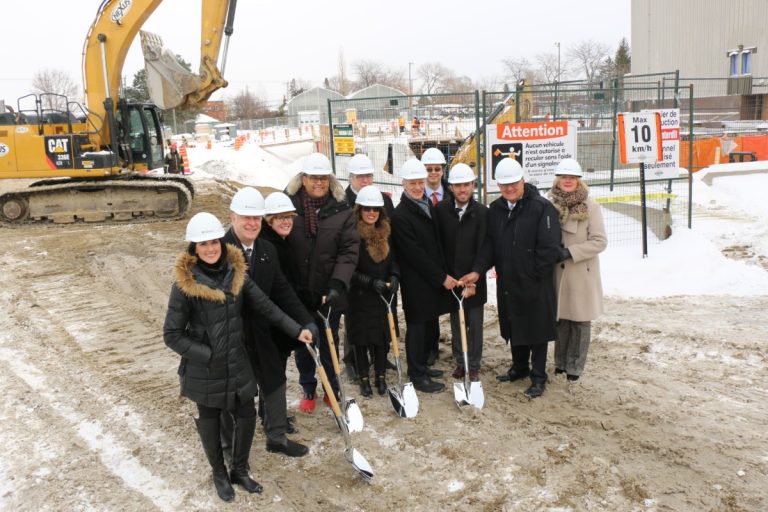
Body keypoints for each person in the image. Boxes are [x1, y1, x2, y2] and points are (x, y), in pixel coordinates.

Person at [163, 212, 313, 502]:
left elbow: (266, 306)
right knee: (211, 420)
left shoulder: (236, 273)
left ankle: (240, 470)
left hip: (238, 361)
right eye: (203, 244)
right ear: (194, 248)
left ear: (221, 243)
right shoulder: (185, 285)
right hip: (205, 368)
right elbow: (172, 334)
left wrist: (297, 330)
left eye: (214, 242)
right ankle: (219, 473)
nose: (210, 248)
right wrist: (208, 354)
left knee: (246, 415)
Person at [221, 187, 317, 458]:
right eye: (246, 218)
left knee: (274, 379)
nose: (252, 223)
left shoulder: (266, 250)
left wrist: (307, 321)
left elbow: (282, 290)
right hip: (231, 333)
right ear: (233, 217)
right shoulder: (219, 250)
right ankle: (231, 446)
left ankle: (276, 436)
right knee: (236, 392)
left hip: (262, 330)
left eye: (256, 218)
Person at [463, 158, 561, 399]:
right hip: (508, 281)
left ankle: (538, 376)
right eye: (504, 185)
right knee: (514, 323)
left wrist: (533, 274)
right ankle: (519, 367)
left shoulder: (541, 208)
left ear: (523, 181)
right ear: (498, 185)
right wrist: (478, 269)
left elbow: (549, 249)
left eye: (514, 184)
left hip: (535, 282)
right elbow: (489, 245)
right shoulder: (496, 210)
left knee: (536, 329)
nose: (509, 189)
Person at [284, 152, 360, 413]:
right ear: (303, 179)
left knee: (328, 341)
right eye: (313, 178)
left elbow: (349, 250)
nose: (318, 183)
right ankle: (308, 387)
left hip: (329, 292)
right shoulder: (288, 206)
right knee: (304, 343)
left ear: (330, 180)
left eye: (323, 178)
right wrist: (292, 287)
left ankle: (332, 388)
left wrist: (337, 284)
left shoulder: (342, 209)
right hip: (298, 292)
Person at [391, 158, 457, 394]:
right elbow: (415, 254)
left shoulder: (426, 204)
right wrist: (441, 277)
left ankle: (423, 367)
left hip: (430, 280)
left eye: (420, 182)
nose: (418, 187)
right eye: (412, 183)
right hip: (416, 282)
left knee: (429, 324)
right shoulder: (401, 215)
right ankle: (417, 374)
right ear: (404, 184)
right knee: (417, 328)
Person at [548, 158, 607, 381]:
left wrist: (571, 252)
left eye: (572, 177)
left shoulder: (591, 207)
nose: (568, 181)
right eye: (564, 177)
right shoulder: (551, 204)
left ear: (578, 180)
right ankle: (560, 363)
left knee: (580, 322)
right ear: (558, 179)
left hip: (582, 272)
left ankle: (575, 366)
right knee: (562, 319)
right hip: (559, 272)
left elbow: (600, 241)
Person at [343, 153, 397, 380]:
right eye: (360, 177)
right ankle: (353, 361)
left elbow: (390, 234)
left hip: (382, 273)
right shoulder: (343, 202)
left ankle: (381, 357)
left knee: (383, 320)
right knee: (356, 324)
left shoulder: (383, 200)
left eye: (368, 176)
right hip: (358, 279)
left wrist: (393, 272)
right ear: (351, 178)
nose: (365, 180)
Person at [435, 164, 487, 382]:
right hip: (453, 280)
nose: (462, 189)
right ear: (451, 187)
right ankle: (460, 360)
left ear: (473, 185)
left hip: (474, 279)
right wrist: (446, 275)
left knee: (474, 324)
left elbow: (486, 247)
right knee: (457, 322)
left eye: (466, 184)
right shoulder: (441, 211)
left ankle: (473, 365)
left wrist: (477, 273)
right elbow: (438, 245)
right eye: (458, 185)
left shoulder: (482, 213)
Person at [420, 147, 454, 366]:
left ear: (443, 170)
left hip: (449, 257)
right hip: (428, 259)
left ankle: (460, 348)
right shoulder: (416, 192)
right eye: (429, 169)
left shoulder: (452, 193)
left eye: (437, 169)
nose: (433, 173)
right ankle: (431, 347)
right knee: (429, 307)